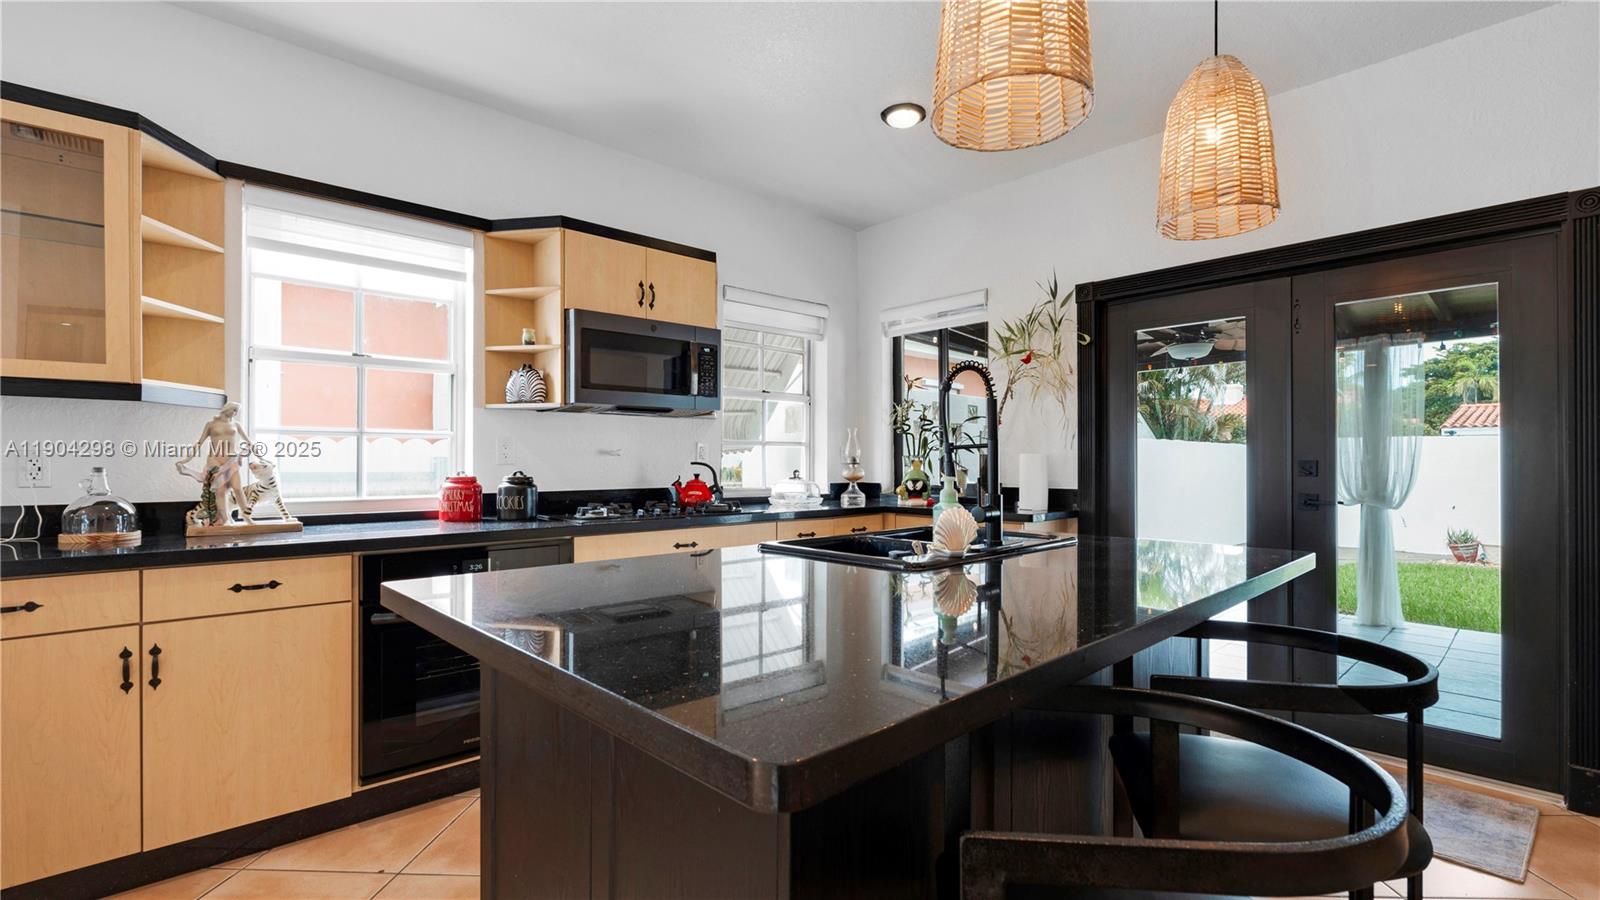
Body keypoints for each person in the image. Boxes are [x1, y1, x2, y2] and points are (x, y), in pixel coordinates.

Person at [175, 402, 257, 526]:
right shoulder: (211, 424)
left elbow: (249, 441)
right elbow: (199, 443)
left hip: (231, 461)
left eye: (236, 411)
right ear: (227, 409)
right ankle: (225, 519)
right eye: (234, 410)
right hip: (215, 461)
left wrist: (259, 455)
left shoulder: (236, 425)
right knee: (220, 491)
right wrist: (186, 460)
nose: (235, 413)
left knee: (238, 489)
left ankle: (247, 517)